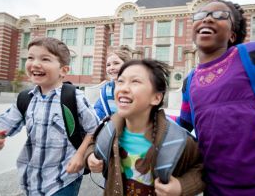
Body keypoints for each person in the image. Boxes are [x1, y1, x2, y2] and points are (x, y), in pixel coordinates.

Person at [175, 0, 255, 196]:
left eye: (220, 15)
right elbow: (182, 127)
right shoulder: (189, 81)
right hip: (217, 188)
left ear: (232, 34)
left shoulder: (254, 54)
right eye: (200, 15)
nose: (207, 19)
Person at [0, 37, 99, 196]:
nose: (35, 63)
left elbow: (94, 129)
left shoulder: (74, 97)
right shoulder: (25, 98)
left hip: (64, 178)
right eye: (30, 57)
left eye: (45, 59)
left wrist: (80, 155)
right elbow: (2, 126)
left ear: (63, 70)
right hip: (32, 180)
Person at [85, 59, 205, 196]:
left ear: (156, 98)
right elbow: (93, 143)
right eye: (120, 81)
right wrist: (89, 157)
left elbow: (202, 168)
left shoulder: (177, 139)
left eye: (135, 81)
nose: (123, 88)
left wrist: (181, 186)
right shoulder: (109, 130)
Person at [94, 46, 132, 120]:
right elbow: (99, 110)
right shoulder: (106, 89)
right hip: (113, 128)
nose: (111, 68)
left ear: (127, 65)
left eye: (116, 63)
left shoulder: (135, 87)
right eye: (108, 65)